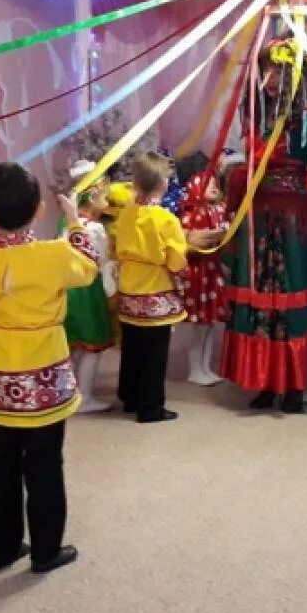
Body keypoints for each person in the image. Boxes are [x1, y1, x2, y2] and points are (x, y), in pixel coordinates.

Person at [0, 162, 100, 573]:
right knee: (45, 462)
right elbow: (88, 267)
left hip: (1, 376)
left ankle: (2, 548)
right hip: (46, 374)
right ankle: (45, 550)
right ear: (39, 209)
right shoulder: (55, 254)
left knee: (1, 463)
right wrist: (75, 221)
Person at [220, 37, 307, 414]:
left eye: (278, 69)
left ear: (294, 73)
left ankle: (293, 387)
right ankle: (265, 382)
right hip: (258, 219)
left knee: (290, 301)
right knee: (260, 302)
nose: (270, 77)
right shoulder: (256, 112)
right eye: (266, 69)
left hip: (291, 222)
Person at [116, 152, 202, 423]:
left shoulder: (127, 213)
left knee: (132, 348)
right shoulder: (166, 219)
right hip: (155, 292)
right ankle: (150, 407)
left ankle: (129, 397)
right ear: (164, 183)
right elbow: (175, 259)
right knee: (154, 354)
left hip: (130, 290)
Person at [59, 161, 116, 413]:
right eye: (104, 196)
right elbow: (101, 263)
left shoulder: (65, 224)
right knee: (92, 347)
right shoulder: (94, 229)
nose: (108, 200)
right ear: (91, 197)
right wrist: (112, 290)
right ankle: (86, 396)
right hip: (88, 292)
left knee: (75, 346)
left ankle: (68, 393)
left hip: (68, 291)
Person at [177, 166, 229, 387]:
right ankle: (195, 369)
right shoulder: (189, 215)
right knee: (199, 326)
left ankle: (206, 367)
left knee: (209, 324)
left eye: (216, 184)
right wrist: (214, 236)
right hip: (198, 275)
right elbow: (190, 244)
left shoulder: (218, 210)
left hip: (212, 272)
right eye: (209, 184)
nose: (214, 187)